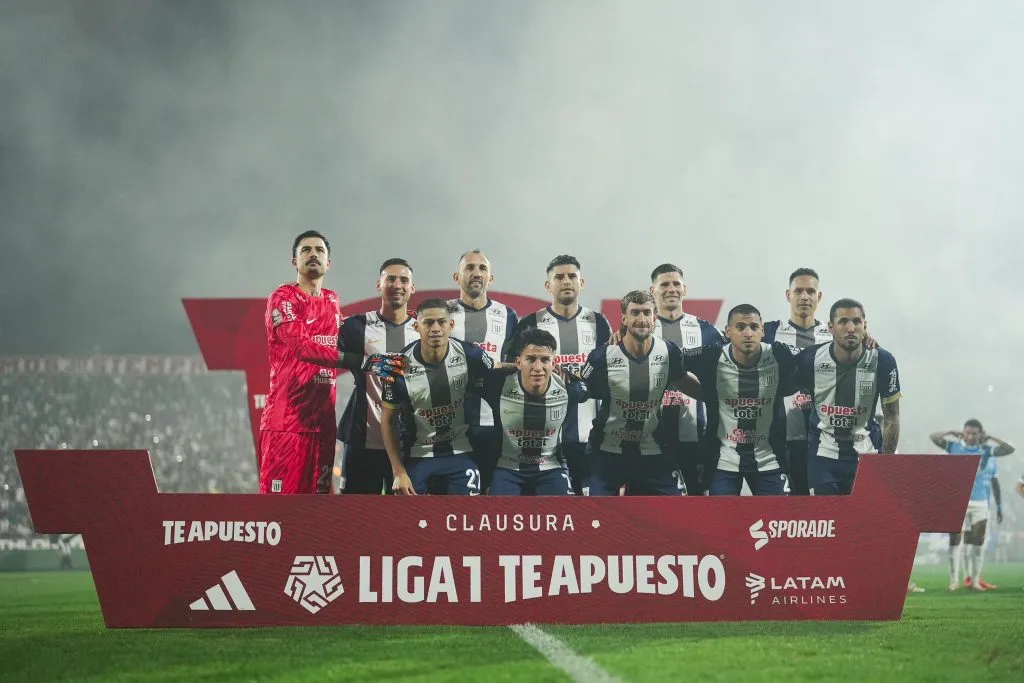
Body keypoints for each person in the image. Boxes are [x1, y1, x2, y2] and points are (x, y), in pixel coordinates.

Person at [261, 231, 404, 494]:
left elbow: (353, 335)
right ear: (295, 261)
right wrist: (363, 362)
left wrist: (406, 322)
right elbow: (302, 347)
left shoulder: (331, 300)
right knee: (279, 510)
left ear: (329, 263)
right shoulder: (283, 298)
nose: (313, 254)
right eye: (306, 250)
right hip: (287, 424)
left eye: (319, 250)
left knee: (317, 510)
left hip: (323, 424)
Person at [506, 255, 611, 494]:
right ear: (548, 285)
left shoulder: (598, 322)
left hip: (590, 436)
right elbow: (514, 372)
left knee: (590, 510)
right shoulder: (531, 323)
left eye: (572, 276)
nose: (566, 282)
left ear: (581, 282)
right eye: (559, 277)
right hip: (544, 440)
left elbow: (610, 374)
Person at [578, 290, 695, 496]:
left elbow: (687, 384)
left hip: (652, 450)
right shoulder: (601, 357)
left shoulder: (670, 353)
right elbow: (579, 388)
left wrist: (717, 396)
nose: (641, 319)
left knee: (680, 512)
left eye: (646, 313)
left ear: (654, 318)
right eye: (634, 313)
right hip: (606, 452)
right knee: (594, 517)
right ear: (624, 318)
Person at [380, 298, 496, 495]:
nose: (435, 328)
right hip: (419, 453)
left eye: (441, 322)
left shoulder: (471, 355)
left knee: (465, 519)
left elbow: (498, 374)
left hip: (461, 450)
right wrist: (398, 471)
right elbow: (388, 421)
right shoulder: (397, 367)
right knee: (412, 520)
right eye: (428, 322)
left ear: (451, 325)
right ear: (416, 326)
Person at [684, 304, 797, 496]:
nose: (748, 333)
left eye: (754, 327)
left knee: (778, 520)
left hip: (768, 457)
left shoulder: (780, 354)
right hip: (723, 459)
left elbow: (817, 360)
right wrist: (710, 395)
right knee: (722, 521)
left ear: (762, 331)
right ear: (728, 332)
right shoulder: (711, 355)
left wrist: (866, 342)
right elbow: (668, 360)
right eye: (740, 327)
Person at [794, 298, 901, 495]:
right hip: (823, 455)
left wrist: (886, 462)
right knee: (826, 522)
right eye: (843, 322)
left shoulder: (883, 360)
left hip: (866, 453)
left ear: (865, 326)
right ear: (831, 328)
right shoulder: (810, 358)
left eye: (856, 322)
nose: (851, 328)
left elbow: (892, 415)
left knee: (864, 523)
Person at [337, 258, 420, 494]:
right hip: (363, 442)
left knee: (404, 523)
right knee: (355, 519)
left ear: (412, 288)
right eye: (390, 278)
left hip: (408, 446)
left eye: (404, 280)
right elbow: (324, 353)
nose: (397, 284)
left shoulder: (422, 331)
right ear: (379, 284)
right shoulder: (355, 327)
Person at [648, 264, 723, 495]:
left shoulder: (708, 331)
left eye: (676, 284)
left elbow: (722, 383)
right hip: (650, 437)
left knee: (698, 508)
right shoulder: (641, 330)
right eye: (664, 285)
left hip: (697, 436)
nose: (671, 289)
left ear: (685, 289)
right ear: (653, 291)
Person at [448, 250, 519, 492]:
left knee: (490, 496)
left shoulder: (508, 316)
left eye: (482, 268)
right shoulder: (442, 313)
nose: (476, 273)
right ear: (457, 276)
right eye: (469, 268)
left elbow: (515, 365)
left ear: (491, 277)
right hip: (450, 423)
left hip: (493, 423)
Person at [487, 328, 590, 495]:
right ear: (518, 362)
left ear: (554, 364)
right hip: (508, 467)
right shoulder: (498, 386)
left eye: (545, 360)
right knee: (498, 516)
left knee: (564, 515)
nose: (538, 367)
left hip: (551, 468)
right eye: (530, 359)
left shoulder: (570, 390)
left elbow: (594, 385)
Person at [763, 268, 832, 495]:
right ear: (788, 295)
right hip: (782, 438)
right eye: (799, 291)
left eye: (810, 291)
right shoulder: (769, 332)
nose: (805, 296)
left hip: (824, 439)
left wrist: (869, 339)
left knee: (820, 511)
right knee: (787, 510)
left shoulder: (834, 335)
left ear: (819, 296)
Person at [930, 420, 1013, 591]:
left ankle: (975, 581)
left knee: (978, 541)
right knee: (954, 540)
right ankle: (954, 581)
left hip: (980, 502)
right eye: (967, 432)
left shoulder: (986, 451)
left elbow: (1009, 449)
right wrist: (950, 431)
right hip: (957, 501)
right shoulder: (954, 447)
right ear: (963, 432)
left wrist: (990, 438)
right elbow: (933, 437)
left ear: (979, 434)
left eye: (974, 433)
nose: (970, 436)